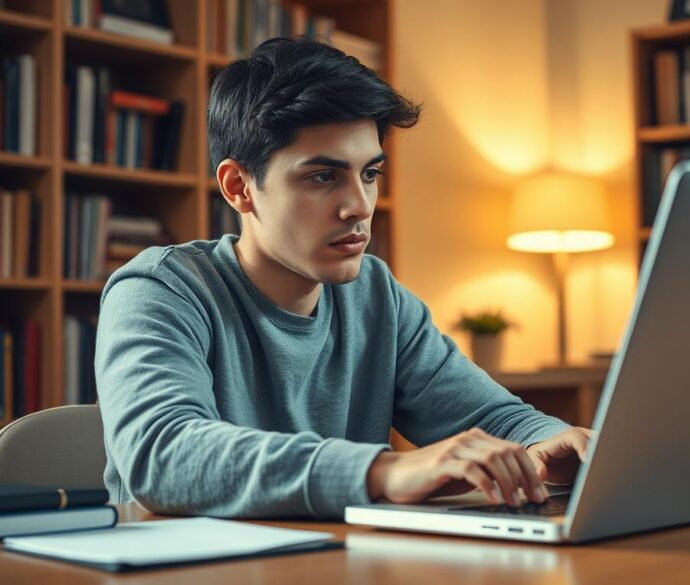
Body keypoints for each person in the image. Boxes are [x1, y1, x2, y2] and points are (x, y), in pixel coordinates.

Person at [95, 36, 592, 519]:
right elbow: (161, 454)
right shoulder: (159, 290)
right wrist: (381, 472)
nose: (359, 206)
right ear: (239, 187)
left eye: (370, 174)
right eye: (323, 176)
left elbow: (493, 420)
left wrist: (549, 440)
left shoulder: (375, 295)